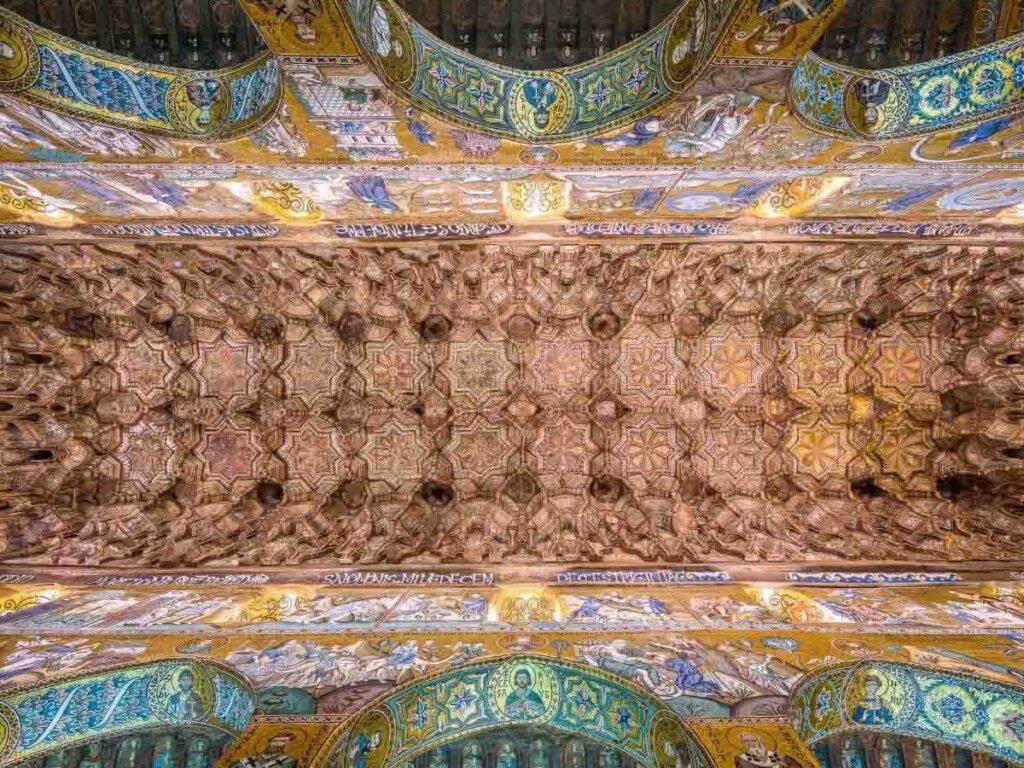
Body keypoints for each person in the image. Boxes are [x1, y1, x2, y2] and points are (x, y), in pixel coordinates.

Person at [733, 732, 801, 768]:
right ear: (743, 743)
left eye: (753, 740)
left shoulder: (777, 756)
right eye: (746, 741)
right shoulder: (742, 759)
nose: (750, 744)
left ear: (760, 742)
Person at [231, 733, 297, 768]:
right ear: (269, 742)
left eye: (282, 741)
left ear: (287, 744)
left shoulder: (286, 760)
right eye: (274, 741)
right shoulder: (248, 760)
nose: (276, 744)